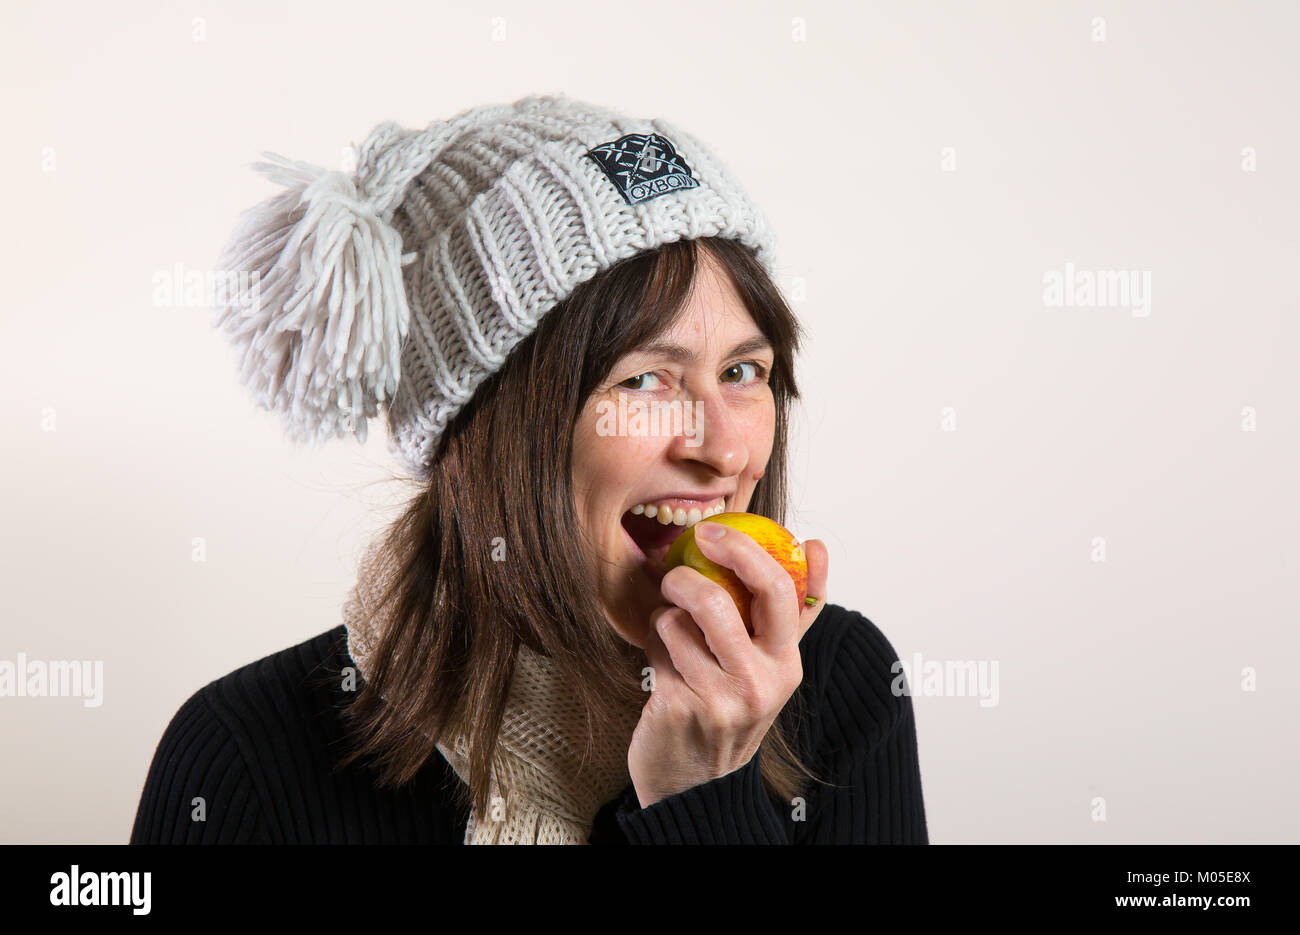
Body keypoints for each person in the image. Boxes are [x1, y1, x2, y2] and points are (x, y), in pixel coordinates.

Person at [129, 93, 929, 845]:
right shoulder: (248, 756)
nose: (723, 451)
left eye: (742, 372)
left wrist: (701, 803)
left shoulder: (841, 685)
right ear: (488, 428)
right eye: (645, 380)